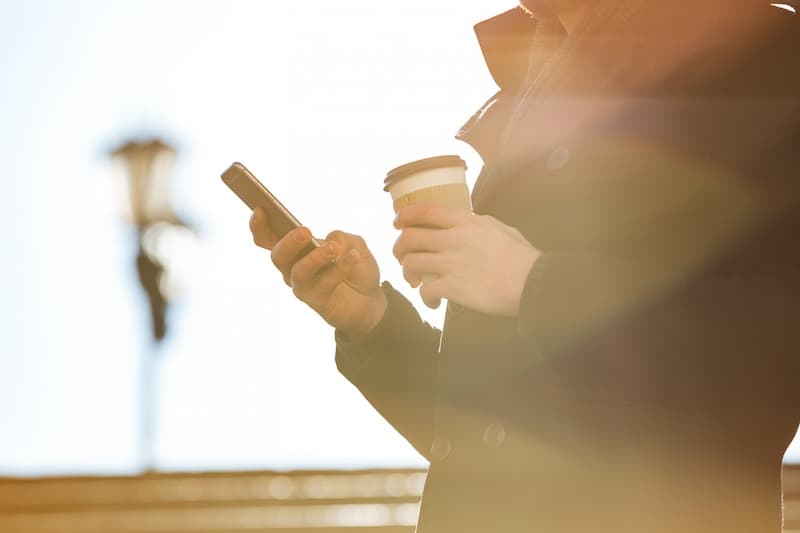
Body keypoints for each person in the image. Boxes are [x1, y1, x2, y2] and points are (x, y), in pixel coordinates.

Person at [250, 2, 800, 531]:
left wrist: (533, 283)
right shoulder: (533, 88)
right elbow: (494, 439)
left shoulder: (760, 52)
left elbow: (772, 360)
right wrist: (371, 323)